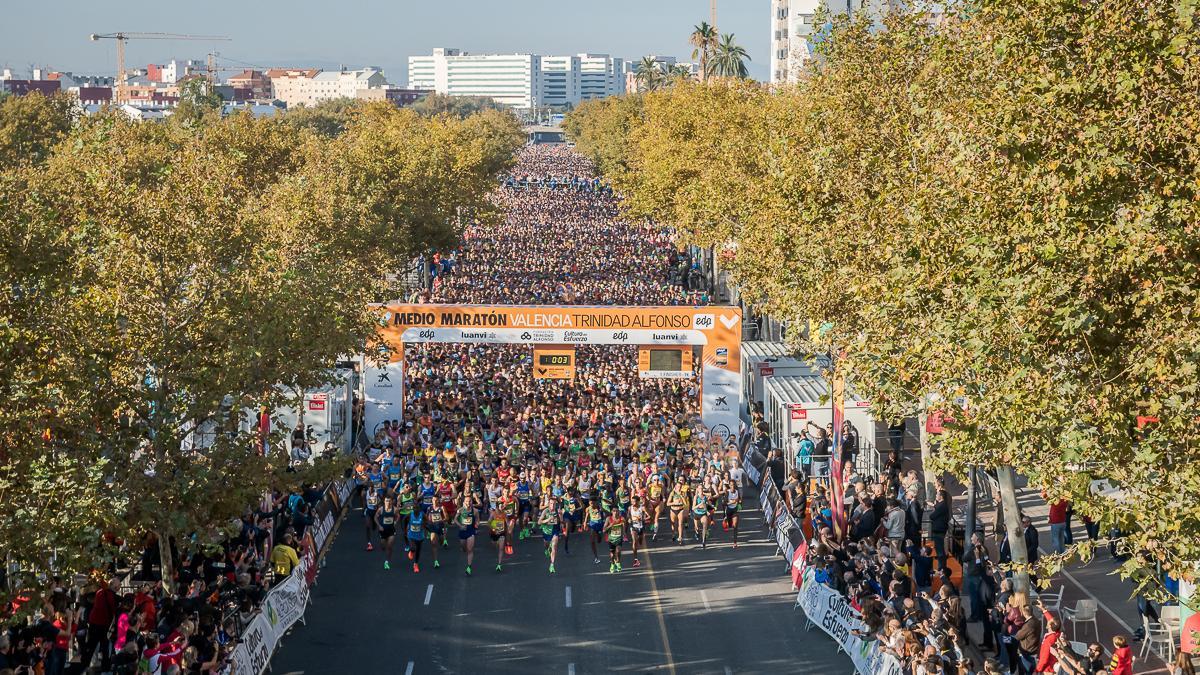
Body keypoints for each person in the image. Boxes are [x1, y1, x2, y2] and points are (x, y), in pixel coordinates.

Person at [603, 507, 626, 573]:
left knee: (618, 551)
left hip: (619, 538)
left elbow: (624, 525)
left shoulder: (622, 518)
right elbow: (604, 530)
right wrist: (610, 525)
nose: (615, 512)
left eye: (617, 511)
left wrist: (624, 532)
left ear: (619, 511)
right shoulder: (608, 519)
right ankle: (612, 563)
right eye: (614, 511)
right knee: (612, 554)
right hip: (611, 539)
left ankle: (618, 562)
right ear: (611, 512)